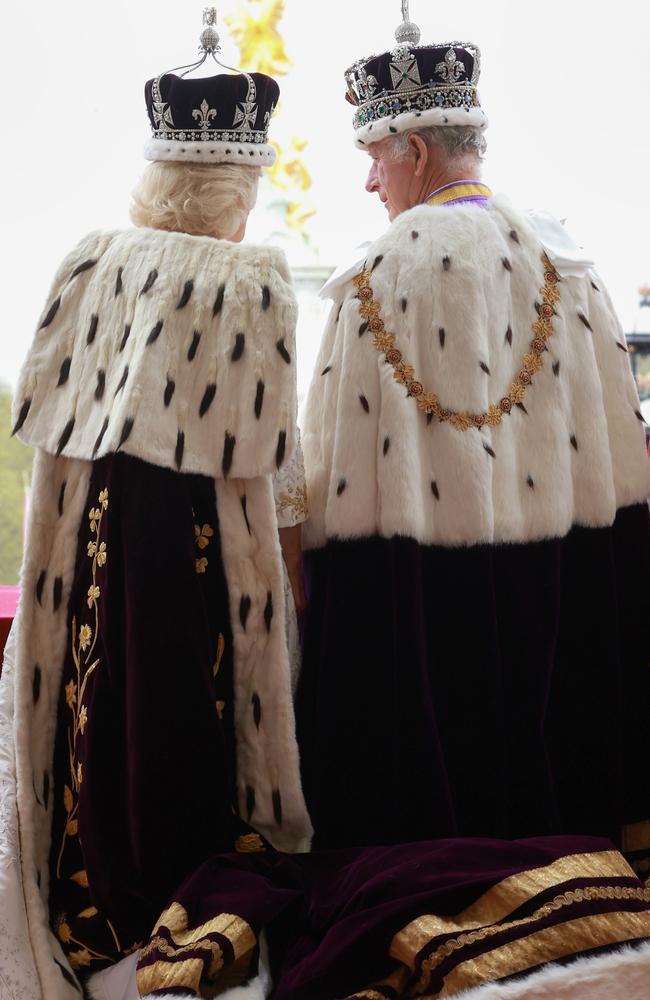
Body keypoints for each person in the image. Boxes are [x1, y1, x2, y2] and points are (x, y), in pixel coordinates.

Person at [0, 10, 311, 998]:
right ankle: (182, 894)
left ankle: (89, 883)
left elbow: (47, 435)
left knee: (94, 725)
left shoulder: (88, 260)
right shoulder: (252, 283)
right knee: (193, 732)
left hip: (84, 556)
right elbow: (276, 468)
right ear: (239, 185)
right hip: (201, 557)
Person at [296, 5, 650, 855]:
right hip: (567, 609)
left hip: (427, 634)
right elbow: (631, 490)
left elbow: (328, 508)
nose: (370, 184)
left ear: (413, 151)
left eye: (373, 160)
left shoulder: (375, 278)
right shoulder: (573, 266)